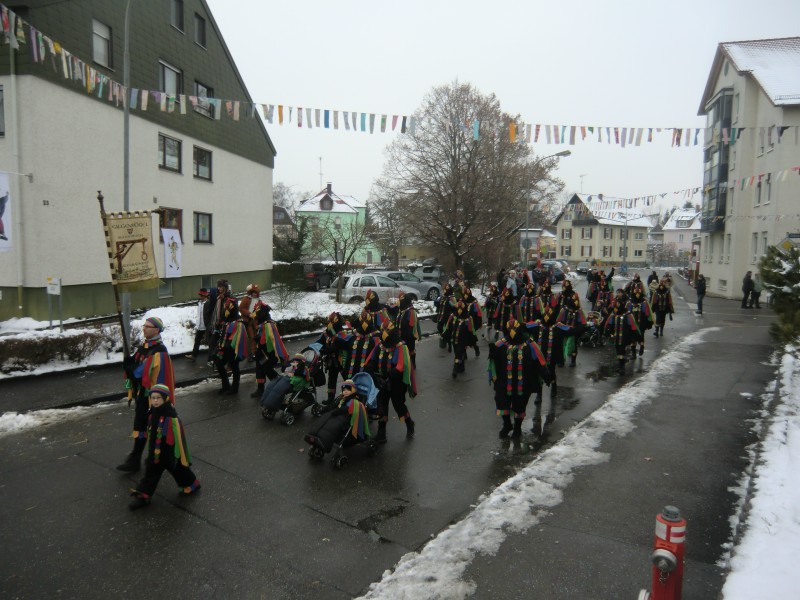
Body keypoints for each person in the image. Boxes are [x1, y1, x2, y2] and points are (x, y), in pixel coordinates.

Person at [117, 316, 175, 473]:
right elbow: (137, 360)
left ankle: (160, 460)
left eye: (147, 326)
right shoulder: (146, 346)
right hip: (143, 396)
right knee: (141, 425)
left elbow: (142, 372)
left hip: (153, 398)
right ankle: (136, 459)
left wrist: (131, 369)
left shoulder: (159, 351)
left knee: (154, 426)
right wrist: (129, 361)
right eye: (144, 325)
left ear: (156, 330)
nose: (144, 328)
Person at [128, 384, 200, 510]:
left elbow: (176, 436)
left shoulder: (170, 416)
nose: (155, 400)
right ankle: (143, 495)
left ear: (165, 398)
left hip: (168, 451)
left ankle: (191, 484)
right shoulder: (152, 412)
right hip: (156, 451)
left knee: (178, 469)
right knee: (151, 472)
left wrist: (171, 453)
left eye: (158, 398)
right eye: (153, 398)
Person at [487, 318, 551, 439]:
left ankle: (517, 428)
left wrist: (546, 375)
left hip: (523, 383)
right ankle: (507, 425)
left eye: (514, 329)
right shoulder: (501, 344)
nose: (512, 331)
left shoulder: (530, 345)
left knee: (520, 405)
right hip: (504, 383)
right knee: (501, 402)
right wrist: (493, 353)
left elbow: (540, 361)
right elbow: (492, 364)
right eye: (510, 329)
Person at [365, 320, 417, 443]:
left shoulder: (401, 347)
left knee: (399, 406)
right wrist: (373, 374)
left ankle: (409, 424)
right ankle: (381, 433)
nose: (384, 333)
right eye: (383, 330)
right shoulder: (380, 346)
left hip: (396, 384)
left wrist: (387, 375)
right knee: (382, 407)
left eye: (387, 331)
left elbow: (400, 367)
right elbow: (370, 361)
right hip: (381, 383)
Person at [303, 379, 371, 455]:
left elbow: (346, 409)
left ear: (353, 390)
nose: (345, 391)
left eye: (348, 390)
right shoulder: (341, 398)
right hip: (336, 415)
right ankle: (316, 436)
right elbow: (333, 406)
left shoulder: (354, 401)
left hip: (345, 419)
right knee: (323, 421)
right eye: (344, 389)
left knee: (330, 426)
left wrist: (335, 411)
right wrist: (324, 409)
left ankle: (323, 440)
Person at [249, 302, 289, 398]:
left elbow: (277, 342)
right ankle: (260, 389)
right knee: (259, 370)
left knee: (267, 370)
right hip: (262, 353)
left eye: (257, 315)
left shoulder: (269, 325)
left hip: (269, 354)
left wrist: (283, 358)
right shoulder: (263, 324)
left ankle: (279, 387)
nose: (256, 318)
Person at [215, 296, 249, 394]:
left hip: (233, 349)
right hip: (224, 348)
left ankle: (234, 388)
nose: (226, 308)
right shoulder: (227, 319)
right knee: (219, 364)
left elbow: (239, 338)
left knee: (234, 368)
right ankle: (225, 385)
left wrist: (231, 347)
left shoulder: (238, 322)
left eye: (227, 306)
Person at [260, 353, 311, 418]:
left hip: (292, 380)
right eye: (294, 361)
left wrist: (298, 368)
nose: (295, 362)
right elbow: (284, 370)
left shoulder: (304, 368)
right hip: (285, 377)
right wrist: (288, 365)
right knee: (271, 386)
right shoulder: (292, 366)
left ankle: (269, 405)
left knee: (278, 390)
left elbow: (305, 376)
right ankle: (265, 402)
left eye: (297, 361)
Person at [185, 288, 210, 360]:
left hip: (206, 326)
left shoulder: (208, 303)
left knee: (210, 342)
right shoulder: (199, 303)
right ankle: (194, 356)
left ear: (204, 296)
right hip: (200, 326)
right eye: (199, 295)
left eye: (201, 295)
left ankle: (212, 358)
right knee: (197, 341)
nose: (199, 297)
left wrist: (209, 324)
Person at [239, 284, 261, 356]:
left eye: (256, 293)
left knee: (256, 337)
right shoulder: (246, 299)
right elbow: (241, 308)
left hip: (256, 322)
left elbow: (260, 310)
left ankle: (256, 352)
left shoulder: (259, 301)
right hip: (247, 321)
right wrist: (249, 314)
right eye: (253, 293)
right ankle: (251, 354)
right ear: (251, 293)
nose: (255, 294)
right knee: (251, 337)